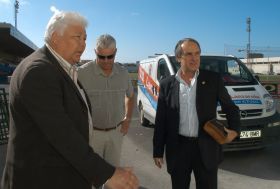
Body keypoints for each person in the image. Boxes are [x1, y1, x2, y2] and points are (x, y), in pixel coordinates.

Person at [1, 11, 138, 189]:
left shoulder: (60, 68)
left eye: (85, 38)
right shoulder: (38, 71)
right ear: (56, 37)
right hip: (40, 179)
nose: (83, 44)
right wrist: (107, 173)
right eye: (77, 37)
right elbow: (61, 134)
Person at [153, 38, 241, 189]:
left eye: (197, 53)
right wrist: (158, 150)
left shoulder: (212, 79)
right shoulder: (167, 85)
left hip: (206, 148)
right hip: (178, 149)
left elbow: (231, 108)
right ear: (179, 57)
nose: (194, 58)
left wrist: (235, 131)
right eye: (189, 54)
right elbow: (161, 120)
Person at [78, 34, 134, 167]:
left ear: (115, 52)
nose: (106, 61)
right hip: (92, 135)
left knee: (112, 175)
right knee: (92, 174)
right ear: (95, 52)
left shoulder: (123, 73)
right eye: (101, 56)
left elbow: (130, 96)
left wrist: (127, 120)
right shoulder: (81, 74)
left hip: (116, 133)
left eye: (110, 56)